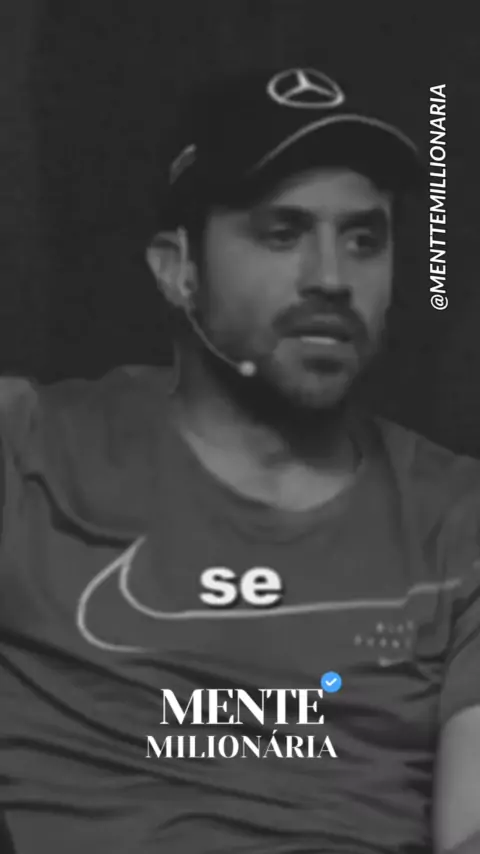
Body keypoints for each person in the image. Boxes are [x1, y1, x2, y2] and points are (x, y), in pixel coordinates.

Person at [0, 66, 479, 854]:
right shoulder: (28, 449)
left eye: (364, 240)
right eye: (282, 233)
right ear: (177, 269)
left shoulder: (458, 518)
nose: (332, 278)